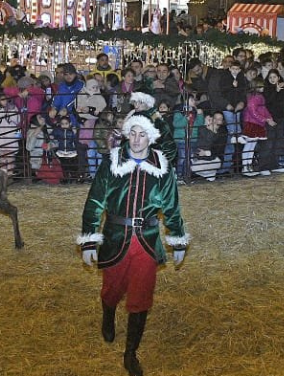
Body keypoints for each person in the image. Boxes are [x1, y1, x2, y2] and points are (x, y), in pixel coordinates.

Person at [78, 114, 189, 376]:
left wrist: (178, 238)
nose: (137, 140)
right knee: (112, 288)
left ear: (150, 137)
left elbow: (172, 205)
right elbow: (95, 201)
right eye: (134, 133)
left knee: (141, 296)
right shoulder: (113, 162)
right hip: (116, 236)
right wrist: (88, 240)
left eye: (143, 134)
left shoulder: (161, 166)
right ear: (127, 134)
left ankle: (130, 353)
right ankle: (108, 314)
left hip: (147, 240)